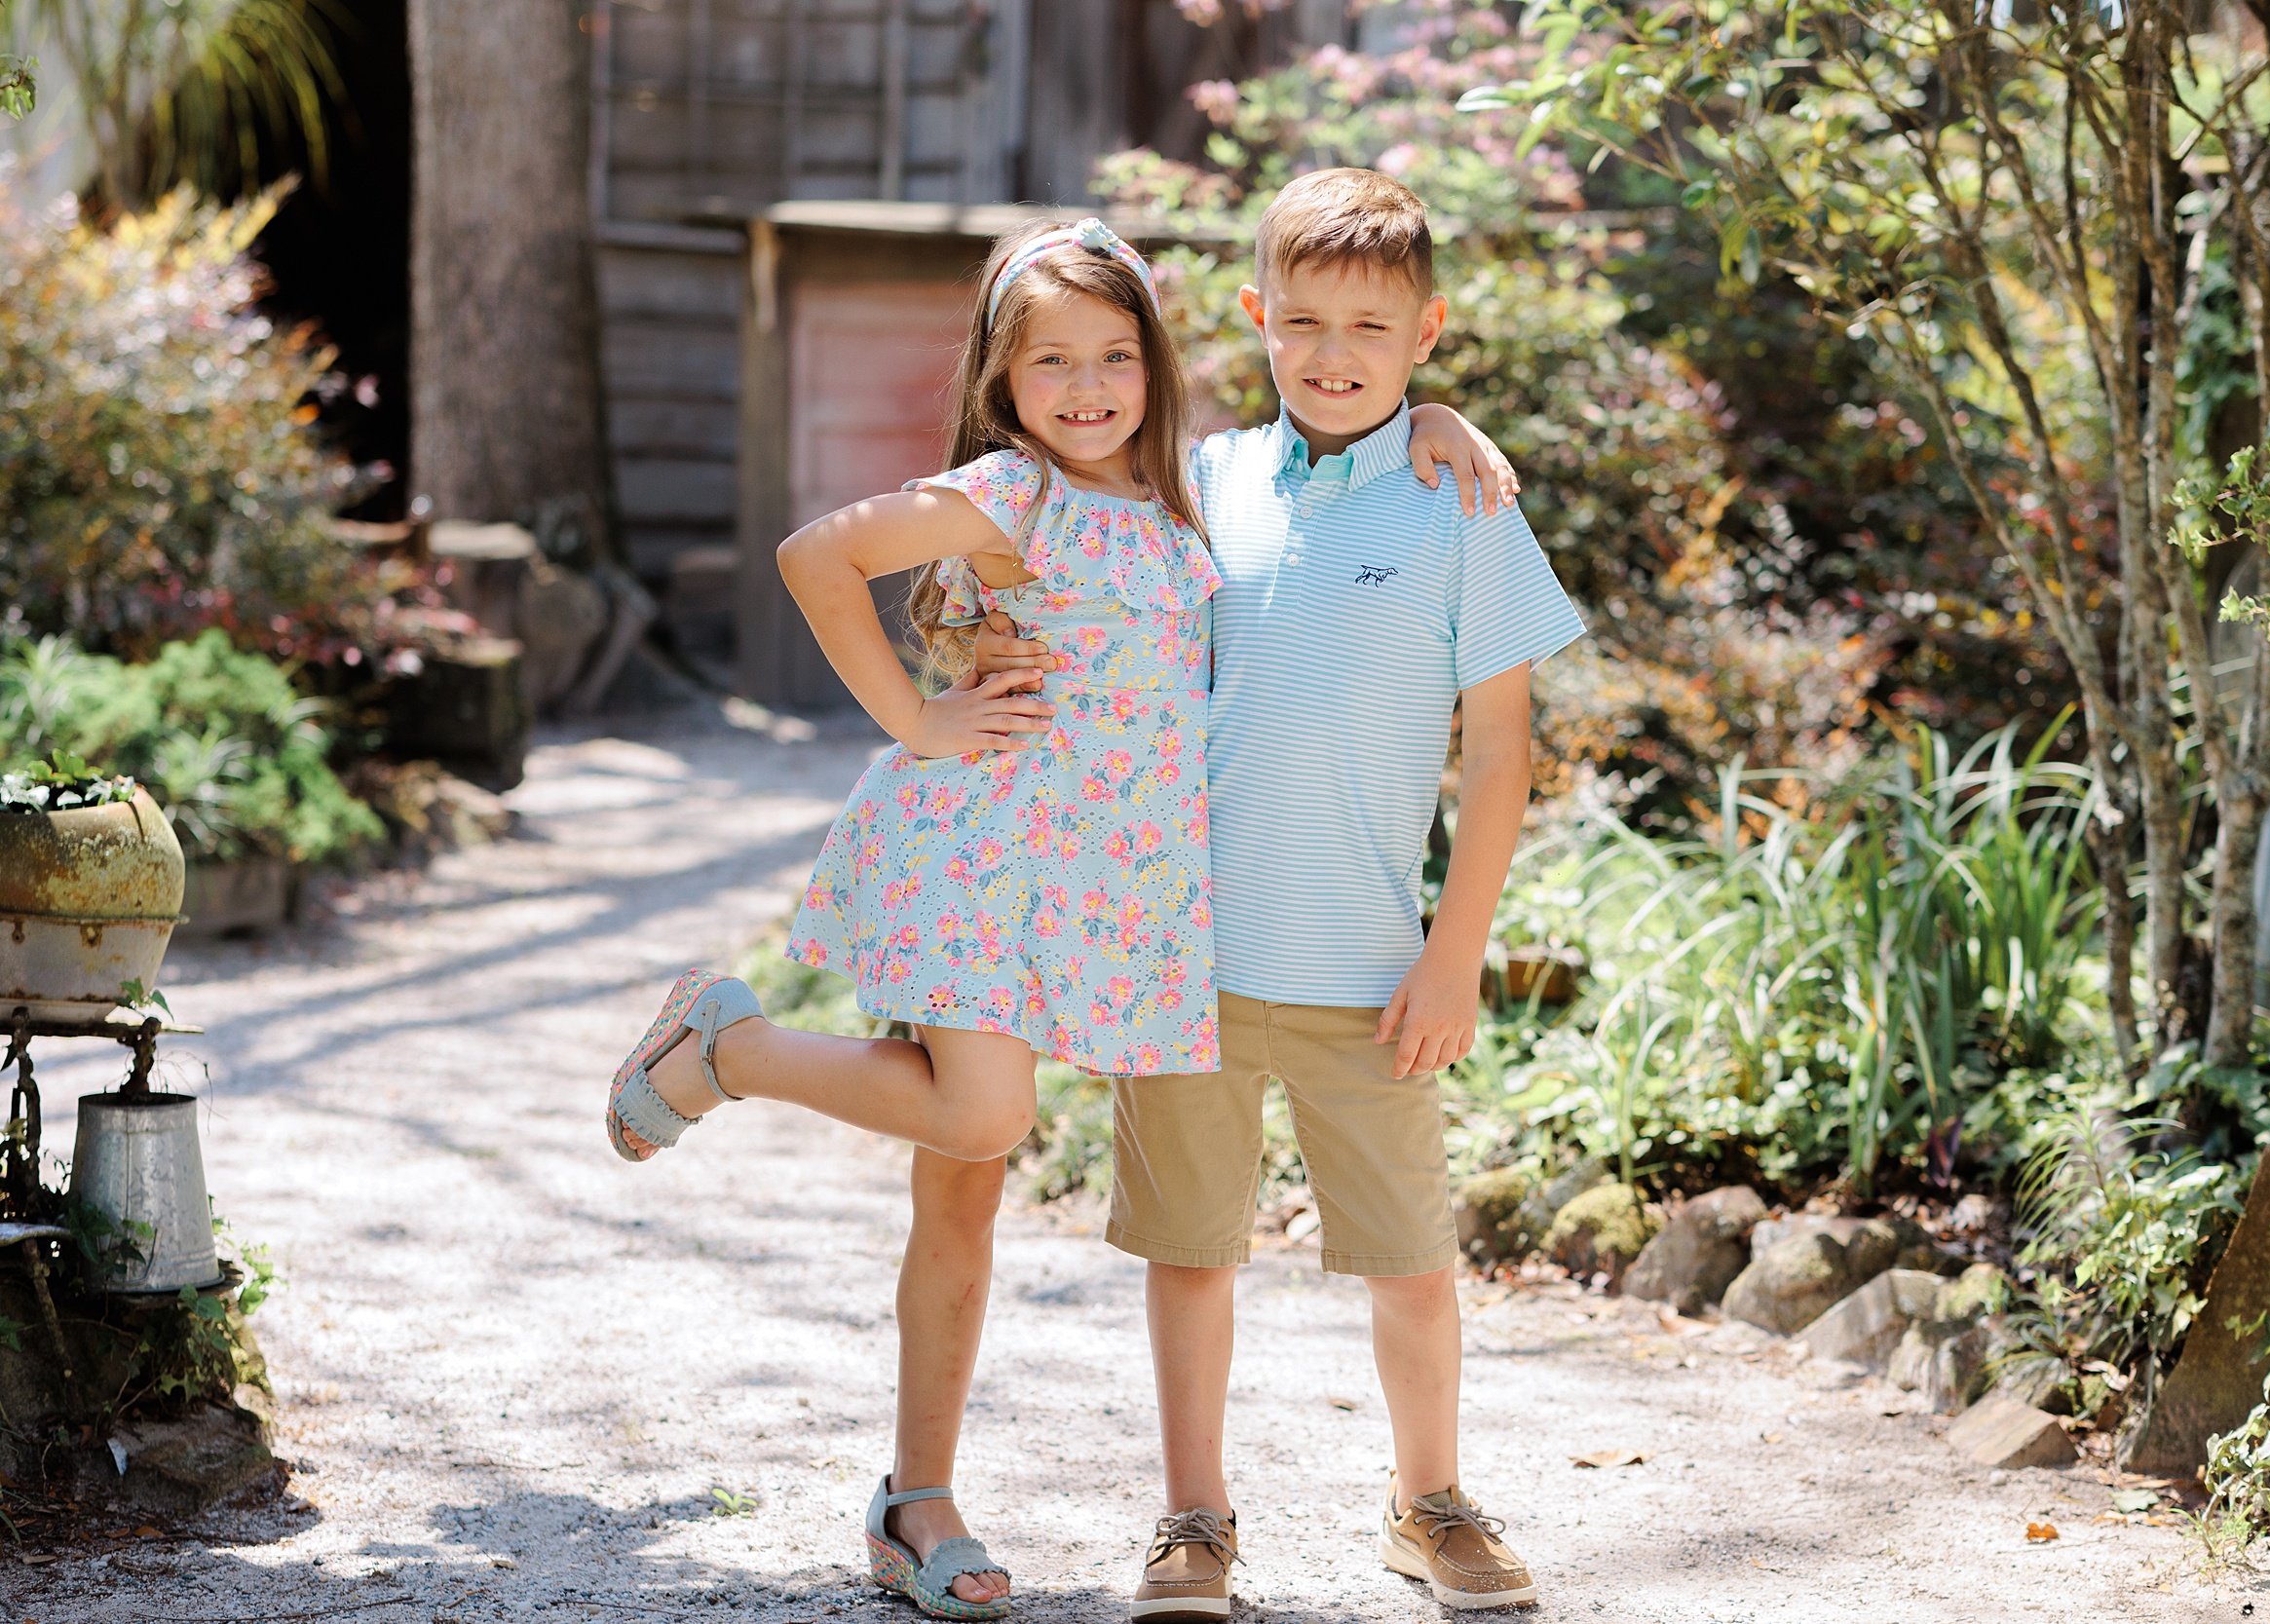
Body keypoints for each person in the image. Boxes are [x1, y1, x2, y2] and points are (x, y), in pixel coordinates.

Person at [601, 214, 1519, 1620]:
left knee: (971, 1157)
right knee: (977, 1127)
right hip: (985, 853)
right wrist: (919, 714)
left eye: (1112, 358)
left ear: (1155, 362)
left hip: (1098, 895)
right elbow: (816, 556)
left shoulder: (1187, 499)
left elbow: (1336, 439)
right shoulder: (1012, 493)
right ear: (1004, 373)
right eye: (1051, 363)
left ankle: (917, 1511)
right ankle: (731, 1048)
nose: (1086, 388)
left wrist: (1434, 418)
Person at [979, 169, 1583, 1617]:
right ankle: (1194, 1516)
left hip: (1375, 968)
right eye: (1301, 319)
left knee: (1413, 1263)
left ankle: (1426, 1500)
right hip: (1179, 959)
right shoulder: (1206, 477)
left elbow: (1500, 757)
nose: (1332, 351)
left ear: (1427, 330)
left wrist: (1457, 957)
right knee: (1191, 1256)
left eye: (1370, 328)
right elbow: (1057, 450)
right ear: (1253, 315)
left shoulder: (1464, 503)